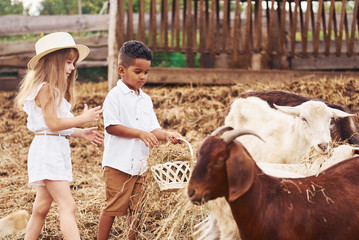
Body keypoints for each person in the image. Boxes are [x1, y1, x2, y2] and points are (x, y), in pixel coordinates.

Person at [15, 32, 104, 240]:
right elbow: (53, 124)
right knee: (68, 205)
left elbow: (55, 125)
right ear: (53, 63)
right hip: (48, 151)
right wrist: (82, 119)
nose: (72, 68)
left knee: (41, 207)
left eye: (73, 63)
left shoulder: (52, 90)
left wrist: (80, 132)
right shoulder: (45, 90)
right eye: (68, 62)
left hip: (51, 148)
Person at [97, 40, 182, 240]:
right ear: (122, 70)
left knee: (138, 208)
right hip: (119, 164)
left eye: (146, 72)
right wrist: (139, 133)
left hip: (141, 164)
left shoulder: (145, 99)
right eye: (138, 72)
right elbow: (111, 127)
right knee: (112, 206)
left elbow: (152, 128)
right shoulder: (114, 96)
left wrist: (167, 135)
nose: (143, 77)